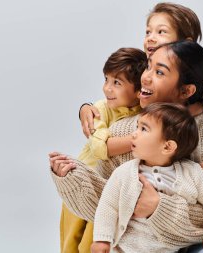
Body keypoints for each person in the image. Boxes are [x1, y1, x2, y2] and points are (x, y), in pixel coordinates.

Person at [56, 2, 203, 252]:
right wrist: (86, 109)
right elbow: (107, 200)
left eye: (162, 32)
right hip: (126, 234)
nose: (151, 39)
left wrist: (159, 207)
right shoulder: (133, 121)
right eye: (148, 65)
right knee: (87, 236)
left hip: (186, 240)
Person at [91, 102, 203, 253]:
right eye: (137, 126)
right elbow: (108, 205)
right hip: (126, 249)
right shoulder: (124, 173)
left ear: (167, 147)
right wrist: (102, 239)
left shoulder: (192, 173)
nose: (134, 133)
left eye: (143, 129)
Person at [60, 47, 147, 253]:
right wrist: (138, 140)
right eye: (106, 79)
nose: (107, 88)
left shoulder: (147, 112)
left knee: (93, 240)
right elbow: (100, 148)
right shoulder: (101, 108)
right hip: (80, 182)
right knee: (70, 241)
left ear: (138, 90)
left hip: (105, 191)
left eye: (117, 83)